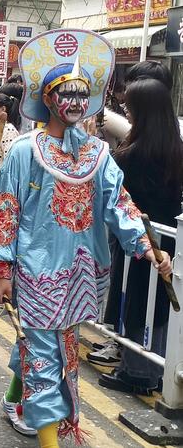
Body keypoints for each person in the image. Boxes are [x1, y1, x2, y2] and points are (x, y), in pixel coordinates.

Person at [0, 29, 172, 447]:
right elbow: (6, 209)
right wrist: (1, 268)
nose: (74, 102)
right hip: (33, 272)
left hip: (81, 274)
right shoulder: (24, 151)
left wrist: (146, 246)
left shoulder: (98, 154)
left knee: (53, 349)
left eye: (82, 94)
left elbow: (120, 204)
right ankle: (50, 439)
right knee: (46, 359)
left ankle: (15, 397)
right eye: (64, 93)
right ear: (47, 98)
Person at [98, 74, 182, 394]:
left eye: (129, 107)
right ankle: (158, 368)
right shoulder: (176, 150)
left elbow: (112, 197)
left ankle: (136, 369)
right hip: (169, 240)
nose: (125, 111)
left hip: (138, 240)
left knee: (133, 302)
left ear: (141, 112)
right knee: (161, 305)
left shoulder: (128, 156)